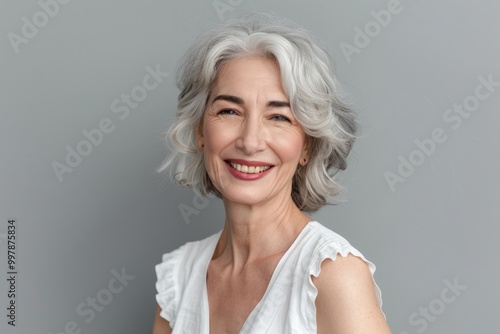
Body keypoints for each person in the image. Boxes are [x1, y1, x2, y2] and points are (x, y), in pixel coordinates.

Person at [152, 15, 391, 334]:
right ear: (200, 132)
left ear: (308, 144)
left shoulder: (332, 276)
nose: (250, 142)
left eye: (278, 116)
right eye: (229, 111)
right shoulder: (178, 278)